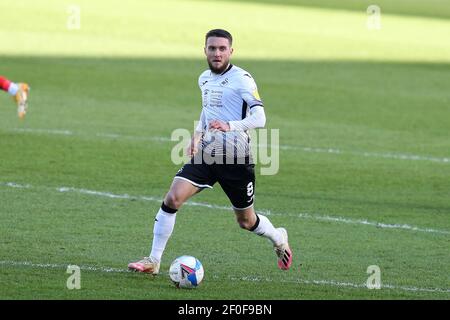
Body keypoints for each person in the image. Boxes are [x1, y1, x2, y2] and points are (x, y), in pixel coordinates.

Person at [128, 29, 292, 274]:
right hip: (207, 153)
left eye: (222, 49)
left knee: (246, 221)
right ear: (205, 50)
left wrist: (230, 126)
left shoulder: (243, 79)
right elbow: (206, 111)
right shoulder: (204, 78)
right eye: (212, 48)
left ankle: (278, 237)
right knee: (172, 198)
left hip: (236, 158)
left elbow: (260, 117)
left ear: (231, 51)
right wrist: (196, 136)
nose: (217, 53)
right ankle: (154, 260)